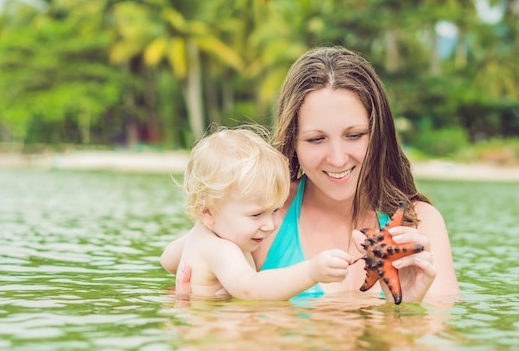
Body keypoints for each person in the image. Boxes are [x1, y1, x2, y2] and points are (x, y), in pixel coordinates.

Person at [161, 47, 459, 303]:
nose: (339, 158)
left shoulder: (419, 224)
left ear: (379, 134)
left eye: (354, 135)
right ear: (293, 141)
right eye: (316, 139)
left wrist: (406, 309)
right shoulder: (265, 215)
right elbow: (186, 265)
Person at [172, 125, 354, 300]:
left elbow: (167, 260)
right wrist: (311, 272)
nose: (270, 225)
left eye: (275, 210)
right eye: (256, 215)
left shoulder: (198, 236)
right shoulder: (221, 250)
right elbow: (250, 288)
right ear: (207, 212)